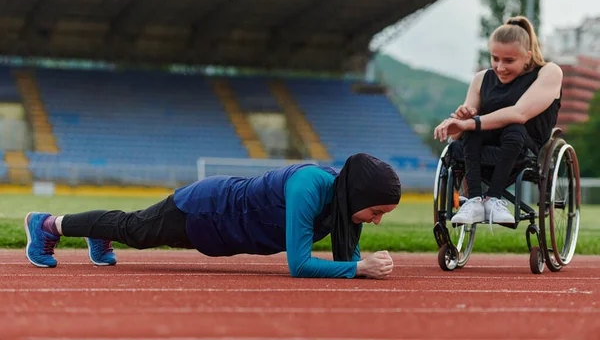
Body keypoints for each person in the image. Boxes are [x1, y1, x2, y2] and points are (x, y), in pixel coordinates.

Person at [25, 152, 401, 279]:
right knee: (135, 230)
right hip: (207, 210)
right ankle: (46, 224)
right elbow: (300, 265)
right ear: (358, 194)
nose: (377, 220)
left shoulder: (343, 206)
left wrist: (366, 265)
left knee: (133, 228)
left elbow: (347, 260)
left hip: (220, 234)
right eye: (377, 211)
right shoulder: (309, 186)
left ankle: (100, 232)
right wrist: (360, 268)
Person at [433, 15, 563, 226]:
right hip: (483, 148)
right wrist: (459, 120)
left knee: (513, 127)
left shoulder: (549, 72)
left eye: (509, 61)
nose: (500, 67)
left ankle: (494, 199)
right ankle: (475, 200)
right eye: (495, 58)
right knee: (473, 129)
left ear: (527, 57)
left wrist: (471, 122)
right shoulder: (481, 78)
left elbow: (519, 113)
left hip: (524, 150)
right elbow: (459, 133)